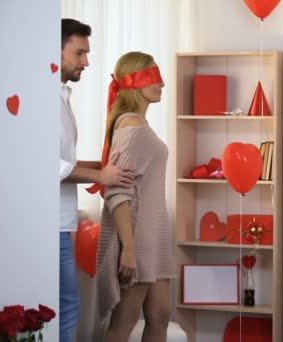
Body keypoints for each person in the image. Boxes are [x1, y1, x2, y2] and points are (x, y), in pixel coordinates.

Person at [60, 18, 135, 342]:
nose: (87, 61)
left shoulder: (62, 97)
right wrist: (100, 175)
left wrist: (101, 165)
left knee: (63, 304)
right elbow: (42, 165)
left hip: (63, 223)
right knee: (67, 304)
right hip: (49, 225)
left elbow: (66, 162)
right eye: (79, 53)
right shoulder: (42, 100)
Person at [94, 51, 174, 342]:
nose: (162, 83)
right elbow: (117, 190)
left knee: (160, 316)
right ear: (135, 83)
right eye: (153, 76)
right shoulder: (132, 128)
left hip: (155, 236)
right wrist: (128, 248)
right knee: (123, 325)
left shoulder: (138, 126)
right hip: (138, 237)